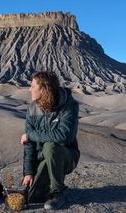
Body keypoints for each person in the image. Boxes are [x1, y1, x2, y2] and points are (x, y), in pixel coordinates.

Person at [21, 71, 80, 210]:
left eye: (32, 86)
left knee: (50, 145)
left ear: (43, 88)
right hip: (43, 158)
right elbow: (29, 146)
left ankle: (57, 193)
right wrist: (28, 173)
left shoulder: (68, 105)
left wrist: (31, 136)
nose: (29, 89)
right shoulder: (32, 109)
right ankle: (48, 185)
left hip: (66, 156)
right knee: (31, 196)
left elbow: (64, 136)